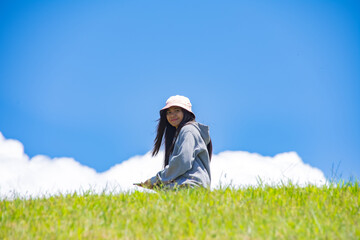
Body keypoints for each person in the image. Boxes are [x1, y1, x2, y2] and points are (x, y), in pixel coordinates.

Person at [137, 95, 212, 190]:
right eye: (169, 112)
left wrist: (156, 180)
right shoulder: (182, 133)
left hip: (189, 186)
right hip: (190, 186)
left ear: (186, 112)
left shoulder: (188, 130)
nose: (172, 115)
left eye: (177, 110)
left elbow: (183, 161)